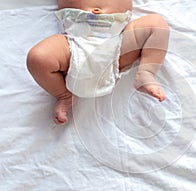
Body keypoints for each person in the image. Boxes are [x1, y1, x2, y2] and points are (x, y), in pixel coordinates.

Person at [26, 0, 170, 125]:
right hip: (74, 40)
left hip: (118, 41)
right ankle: (64, 95)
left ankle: (146, 73)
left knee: (157, 24)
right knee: (38, 58)